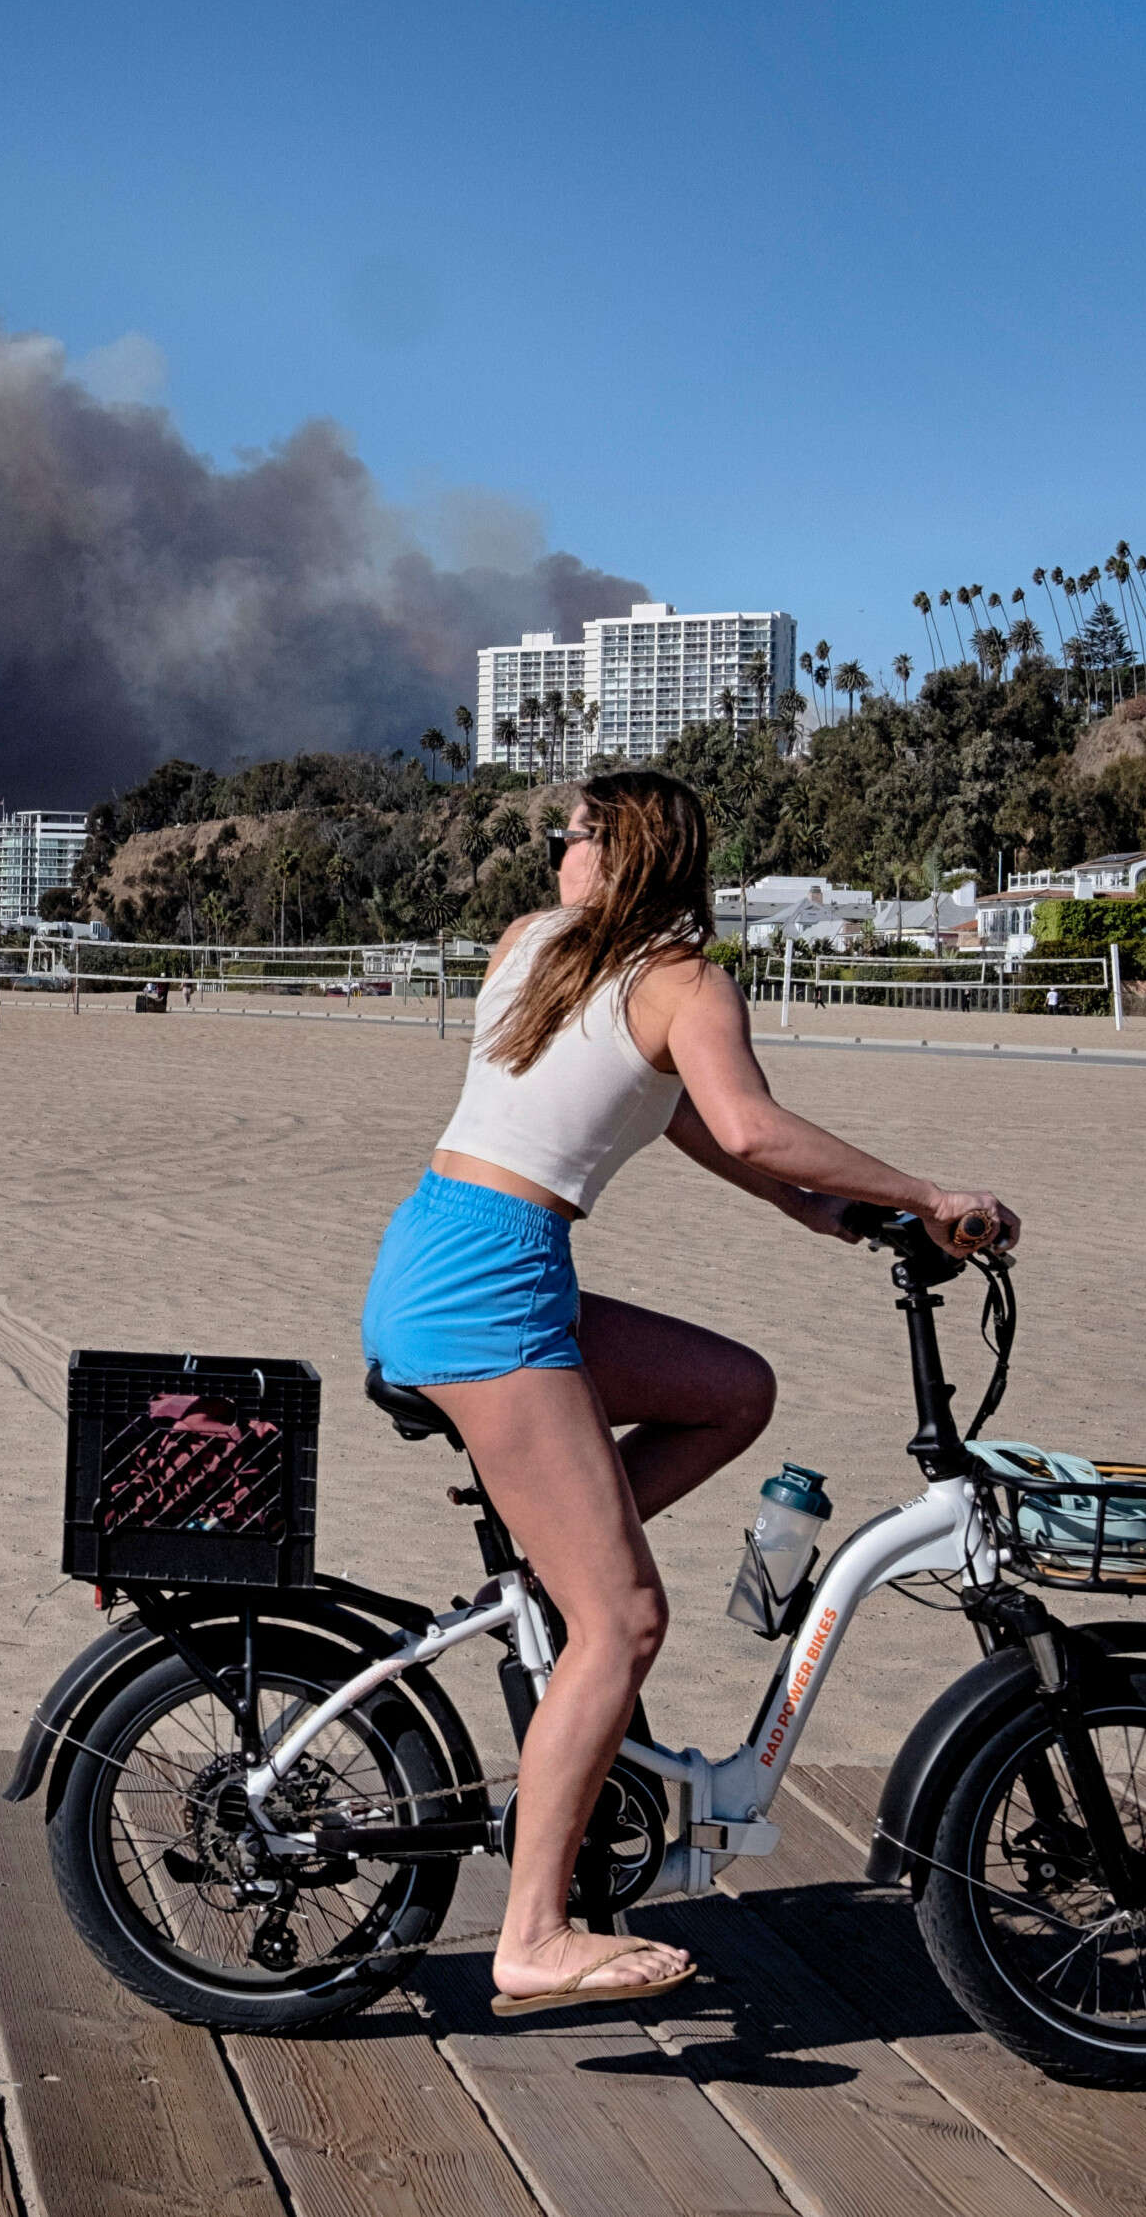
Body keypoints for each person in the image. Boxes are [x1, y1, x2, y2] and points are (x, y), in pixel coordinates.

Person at [362, 768, 1017, 2016]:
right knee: (624, 1625)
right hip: (489, 1287)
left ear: (621, 858)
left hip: (450, 1253)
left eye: (572, 841)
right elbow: (750, 1121)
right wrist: (930, 1195)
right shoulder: (681, 981)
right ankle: (534, 1932)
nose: (556, 861)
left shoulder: (542, 952)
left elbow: (675, 1118)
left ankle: (559, 1563)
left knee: (730, 1390)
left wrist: (824, 1214)